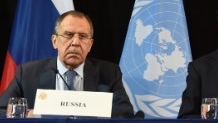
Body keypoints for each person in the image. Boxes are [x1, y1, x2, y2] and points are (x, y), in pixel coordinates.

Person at [0, 11, 134, 118]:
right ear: (54, 41)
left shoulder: (109, 73)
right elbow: (2, 110)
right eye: (68, 35)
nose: (75, 42)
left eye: (82, 36)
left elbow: (125, 113)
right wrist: (28, 115)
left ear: (90, 45)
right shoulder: (28, 73)